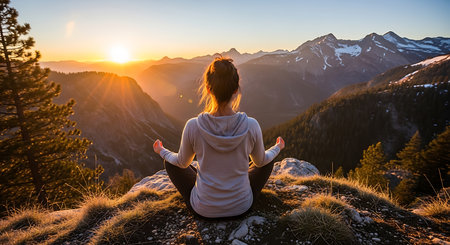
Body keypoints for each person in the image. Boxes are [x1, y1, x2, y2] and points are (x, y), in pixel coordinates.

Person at [153, 57, 285, 218]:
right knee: (266, 161)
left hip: (203, 210)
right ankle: (238, 196)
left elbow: (182, 162)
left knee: (171, 163)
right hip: (242, 207)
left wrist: (162, 151)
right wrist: (277, 147)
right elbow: (261, 162)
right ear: (236, 89)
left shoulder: (193, 125)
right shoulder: (251, 125)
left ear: (208, 89)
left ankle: (207, 198)